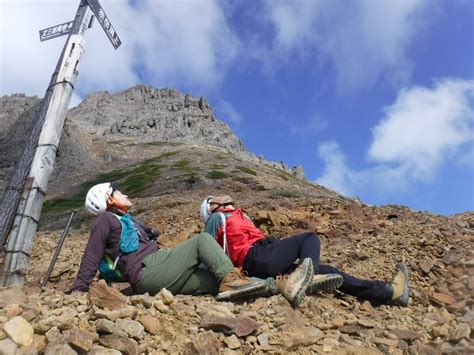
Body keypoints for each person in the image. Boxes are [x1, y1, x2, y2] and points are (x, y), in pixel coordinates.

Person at [69, 182, 276, 301]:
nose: (124, 193)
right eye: (117, 191)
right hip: (147, 271)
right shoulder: (105, 219)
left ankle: (278, 287)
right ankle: (233, 279)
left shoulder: (124, 220)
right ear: (107, 199)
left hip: (156, 275)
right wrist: (80, 288)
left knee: (215, 280)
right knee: (201, 240)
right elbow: (92, 253)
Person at [200, 195, 410, 307]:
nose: (219, 195)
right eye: (213, 198)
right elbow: (206, 245)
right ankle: (305, 277)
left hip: (261, 261)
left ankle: (389, 292)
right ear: (211, 208)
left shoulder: (239, 215)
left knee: (327, 271)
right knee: (309, 238)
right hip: (254, 260)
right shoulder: (218, 218)